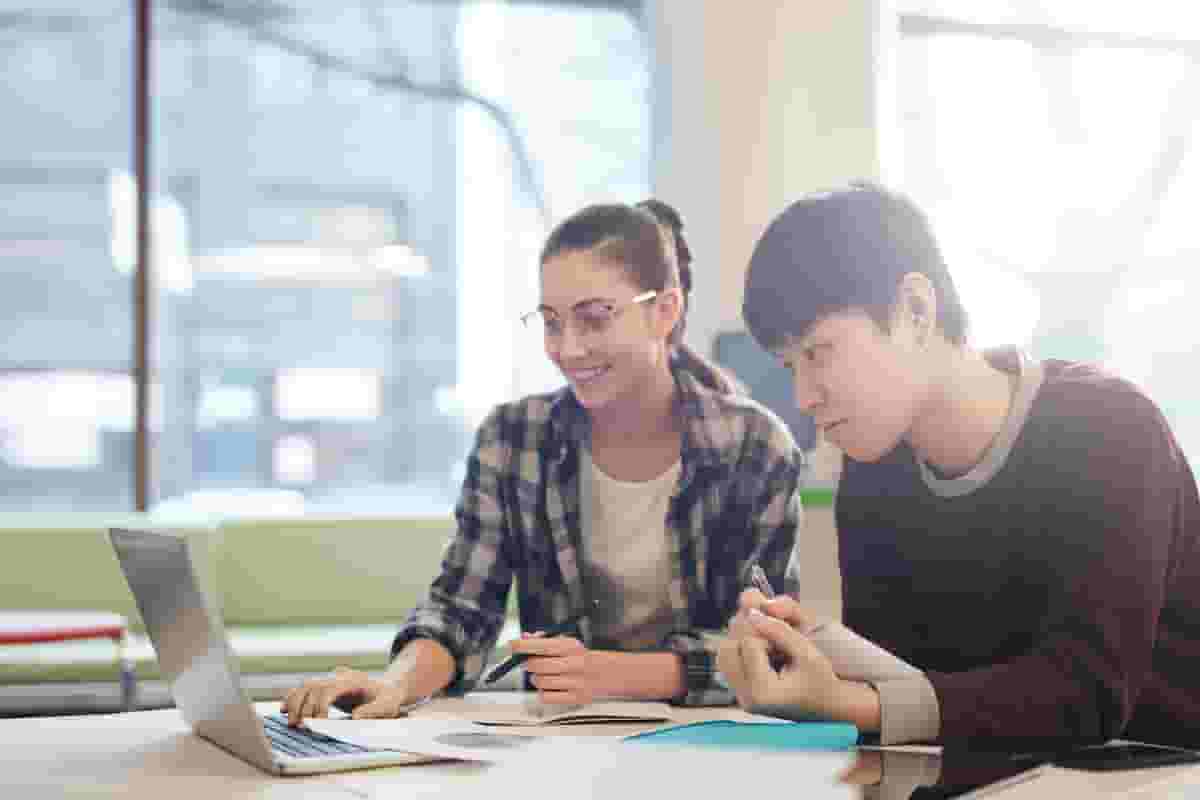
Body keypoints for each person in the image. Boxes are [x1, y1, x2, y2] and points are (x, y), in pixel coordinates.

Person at [284, 199, 804, 725]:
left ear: (665, 311)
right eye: (552, 323)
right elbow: (461, 609)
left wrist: (611, 675)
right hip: (558, 737)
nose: (568, 348)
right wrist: (393, 684)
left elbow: (768, 648)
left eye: (594, 319)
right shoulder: (513, 439)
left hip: (711, 742)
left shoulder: (754, 446)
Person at [718, 181, 1200, 747]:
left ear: (916, 311)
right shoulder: (875, 466)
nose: (802, 397)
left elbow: (1086, 694)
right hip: (987, 773)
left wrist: (847, 701)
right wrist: (810, 650)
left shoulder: (1111, 428)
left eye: (818, 352)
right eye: (788, 364)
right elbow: (907, 682)